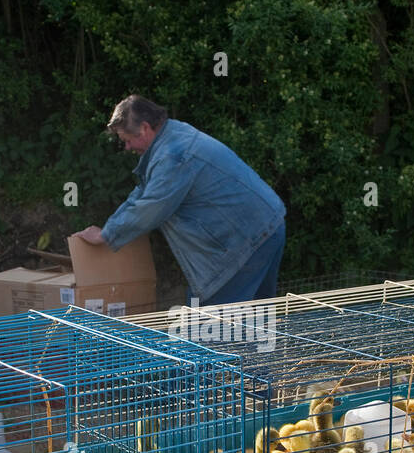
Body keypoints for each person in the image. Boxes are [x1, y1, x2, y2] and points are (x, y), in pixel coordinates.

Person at [73, 95, 286, 306]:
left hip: (246, 239)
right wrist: (110, 228)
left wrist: (106, 235)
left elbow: (151, 207)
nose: (127, 147)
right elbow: (143, 193)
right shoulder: (172, 135)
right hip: (265, 225)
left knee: (209, 324)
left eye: (128, 140)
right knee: (253, 322)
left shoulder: (172, 155)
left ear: (145, 128)